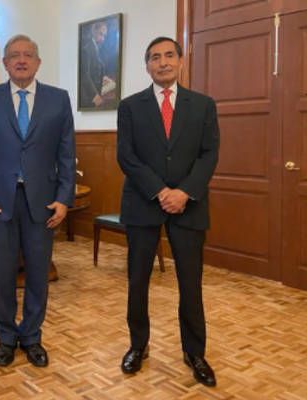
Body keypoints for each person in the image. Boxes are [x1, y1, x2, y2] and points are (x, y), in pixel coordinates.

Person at [116, 36, 219, 387]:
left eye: (169, 55)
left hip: (189, 206)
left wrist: (185, 192)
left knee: (190, 283)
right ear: (147, 65)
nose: (163, 62)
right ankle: (138, 346)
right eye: (155, 57)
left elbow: (209, 154)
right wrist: (161, 191)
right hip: (143, 203)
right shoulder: (130, 107)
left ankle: (195, 353)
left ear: (181, 61)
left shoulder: (203, 105)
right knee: (137, 281)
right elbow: (126, 156)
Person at [0, 34, 75, 368]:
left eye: (28, 54)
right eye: (14, 55)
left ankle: (31, 336)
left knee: (38, 272)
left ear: (38, 62)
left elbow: (67, 153)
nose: (21, 60)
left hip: (43, 202)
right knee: (1, 274)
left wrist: (64, 198)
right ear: (5, 63)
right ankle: (5, 337)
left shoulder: (59, 99)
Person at [80, 21, 116, 108]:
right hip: (90, 93)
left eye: (104, 36)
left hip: (99, 85)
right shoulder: (87, 49)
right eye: (101, 34)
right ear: (94, 31)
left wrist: (103, 77)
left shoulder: (96, 47)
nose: (103, 39)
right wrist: (95, 95)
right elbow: (85, 75)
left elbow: (97, 67)